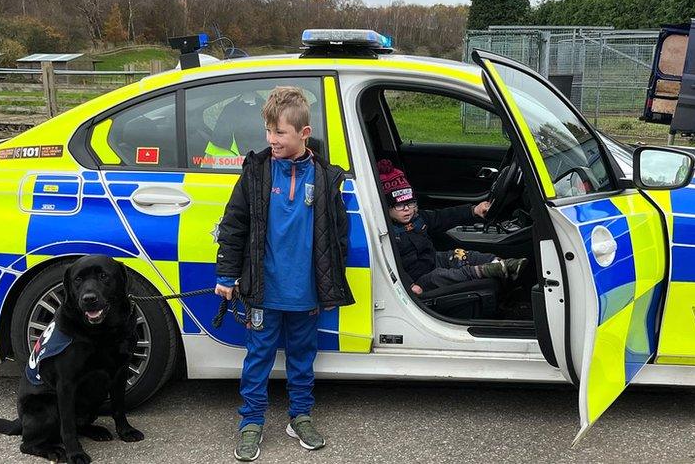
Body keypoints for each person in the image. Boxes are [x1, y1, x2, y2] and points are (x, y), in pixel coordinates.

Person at [214, 86, 353, 461]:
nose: (271, 140)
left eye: (280, 133)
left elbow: (338, 233)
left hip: (306, 293)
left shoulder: (325, 177)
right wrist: (227, 276)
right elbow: (234, 225)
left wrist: (329, 280)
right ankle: (251, 422)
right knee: (257, 357)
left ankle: (300, 416)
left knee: (303, 356)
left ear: (304, 134)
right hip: (264, 290)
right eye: (268, 131)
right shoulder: (256, 171)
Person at [377, 159, 525, 296]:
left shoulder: (418, 218)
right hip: (418, 278)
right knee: (440, 276)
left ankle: (501, 264)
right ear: (385, 207)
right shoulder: (387, 232)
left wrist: (473, 210)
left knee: (462, 254)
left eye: (411, 203)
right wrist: (409, 284)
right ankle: (484, 271)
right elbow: (388, 263)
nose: (407, 209)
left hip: (433, 260)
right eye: (399, 205)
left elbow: (444, 217)